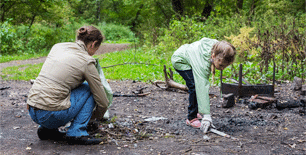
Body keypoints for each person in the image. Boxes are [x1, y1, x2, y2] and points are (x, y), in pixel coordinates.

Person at [27, 25, 109, 145]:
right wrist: (93, 117)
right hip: (50, 115)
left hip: (32, 110)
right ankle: (77, 132)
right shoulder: (86, 61)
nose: (94, 53)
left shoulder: (58, 47)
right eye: (96, 49)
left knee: (60, 88)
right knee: (89, 89)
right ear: (93, 44)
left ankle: (47, 130)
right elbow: (103, 102)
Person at [171, 38, 236, 133]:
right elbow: (201, 87)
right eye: (221, 65)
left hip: (188, 56)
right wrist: (207, 116)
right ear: (213, 56)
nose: (222, 69)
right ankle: (191, 118)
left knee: (195, 85)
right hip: (181, 60)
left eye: (225, 66)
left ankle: (195, 110)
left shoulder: (218, 48)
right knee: (194, 86)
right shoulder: (203, 64)